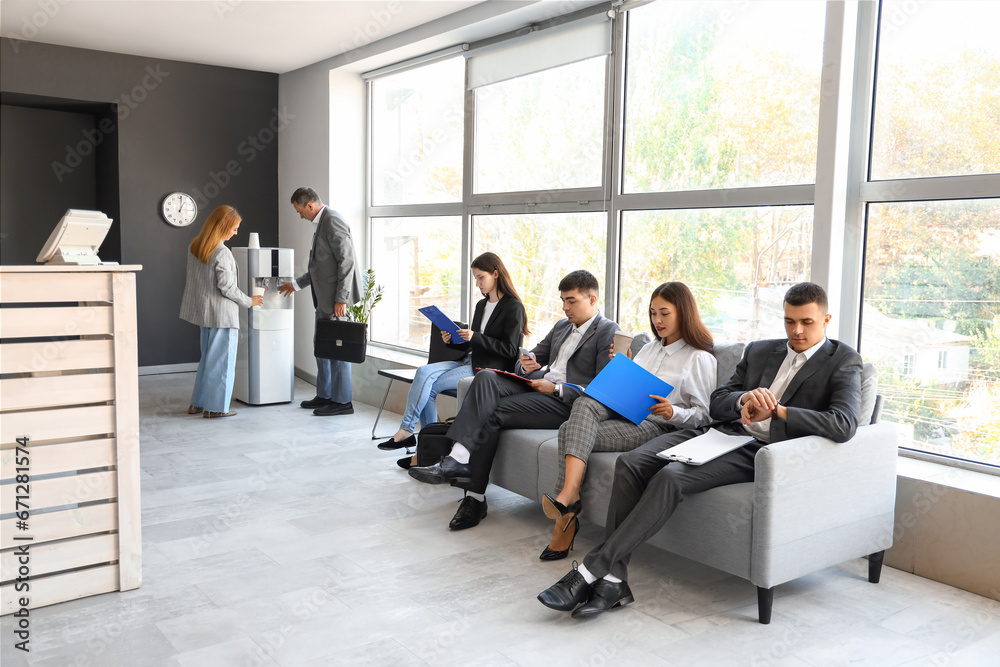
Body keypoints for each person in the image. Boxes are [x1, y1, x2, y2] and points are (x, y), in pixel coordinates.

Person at [537, 282, 863, 618]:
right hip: (723, 431)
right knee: (632, 463)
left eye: (806, 322)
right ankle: (616, 578)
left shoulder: (843, 361)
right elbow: (718, 401)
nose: (796, 330)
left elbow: (844, 424)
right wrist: (743, 399)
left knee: (672, 477)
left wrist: (778, 410)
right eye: (789, 321)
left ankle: (591, 571)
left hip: (762, 450)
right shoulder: (761, 350)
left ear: (826, 320)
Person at [407, 270, 620, 531]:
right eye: (563, 300)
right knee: (484, 377)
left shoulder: (608, 331)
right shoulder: (562, 326)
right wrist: (526, 363)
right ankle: (458, 458)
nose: (565, 307)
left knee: (491, 413)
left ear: (593, 299)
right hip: (538, 387)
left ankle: (472, 493)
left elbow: (600, 390)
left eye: (572, 301)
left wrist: (555, 388)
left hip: (565, 403)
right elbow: (531, 357)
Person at [538, 282, 717, 561]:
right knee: (584, 402)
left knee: (567, 430)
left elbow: (704, 417)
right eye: (653, 313)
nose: (657, 321)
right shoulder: (648, 349)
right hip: (624, 410)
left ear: (683, 313)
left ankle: (565, 520)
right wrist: (622, 369)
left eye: (665, 313)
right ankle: (570, 493)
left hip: (658, 425)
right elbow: (630, 388)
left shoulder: (699, 358)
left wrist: (673, 412)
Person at [382, 252, 528, 465]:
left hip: (485, 368)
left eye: (481, 277)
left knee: (428, 388)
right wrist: (452, 340)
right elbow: (473, 342)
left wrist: (475, 337)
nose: (477, 283)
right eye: (475, 278)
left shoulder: (513, 307)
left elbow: (509, 349)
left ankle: (421, 448)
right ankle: (416, 440)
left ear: (496, 274)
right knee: (423, 372)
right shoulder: (481, 305)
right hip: (468, 359)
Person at [279, 187, 361, 416]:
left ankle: (342, 402)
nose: (300, 216)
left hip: (335, 300)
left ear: (310, 206)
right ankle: (325, 395)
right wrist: (295, 285)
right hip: (324, 299)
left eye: (299, 211)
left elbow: (347, 262)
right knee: (322, 349)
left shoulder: (333, 221)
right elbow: (319, 268)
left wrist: (341, 299)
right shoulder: (322, 222)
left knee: (337, 351)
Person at [179, 205, 263, 418]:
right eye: (234, 228)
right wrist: (249, 301)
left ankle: (197, 403)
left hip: (204, 314)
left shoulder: (195, 246)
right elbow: (227, 287)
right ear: (223, 226)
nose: (236, 233)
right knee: (222, 363)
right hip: (222, 316)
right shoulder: (222, 252)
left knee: (207, 359)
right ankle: (215, 408)